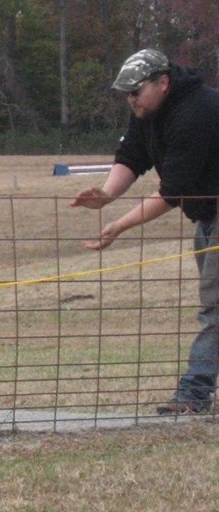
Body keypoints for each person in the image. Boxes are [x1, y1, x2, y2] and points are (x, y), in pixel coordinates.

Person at [70, 48, 219, 415]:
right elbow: (133, 157)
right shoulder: (147, 111)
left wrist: (119, 225)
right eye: (125, 93)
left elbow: (173, 191)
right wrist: (106, 195)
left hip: (210, 209)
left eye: (135, 91)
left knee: (215, 308)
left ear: (163, 83)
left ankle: (194, 393)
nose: (130, 99)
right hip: (206, 214)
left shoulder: (197, 112)